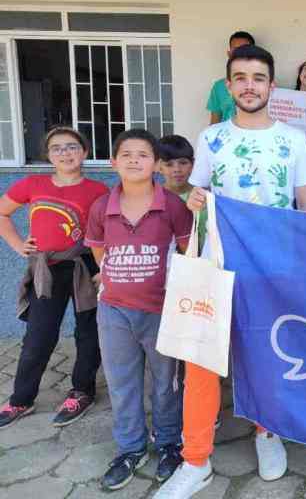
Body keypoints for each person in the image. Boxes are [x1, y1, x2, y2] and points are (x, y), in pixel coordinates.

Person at [155, 44, 306, 499]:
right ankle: (195, 460)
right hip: (215, 266)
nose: (250, 85)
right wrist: (193, 200)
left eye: (259, 77)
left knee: (265, 358)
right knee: (200, 363)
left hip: (273, 269)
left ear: (271, 85)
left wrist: (301, 269)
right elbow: (200, 196)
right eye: (241, 77)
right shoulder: (211, 139)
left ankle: (267, 433)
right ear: (229, 86)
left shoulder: (293, 140)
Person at [85, 129, 192, 491]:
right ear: (113, 162)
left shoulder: (173, 206)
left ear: (156, 164)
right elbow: (101, 254)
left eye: (143, 154)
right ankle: (131, 449)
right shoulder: (102, 207)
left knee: (165, 382)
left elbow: (187, 252)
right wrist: (119, 280)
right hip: (114, 311)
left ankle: (168, 443)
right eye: (126, 154)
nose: (134, 160)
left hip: (162, 310)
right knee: (122, 383)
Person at [0, 127, 107, 430]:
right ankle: (21, 398)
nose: (65, 152)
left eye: (72, 146)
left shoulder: (99, 190)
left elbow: (109, 230)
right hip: (46, 268)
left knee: (88, 333)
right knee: (39, 335)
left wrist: (105, 266)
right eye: (57, 148)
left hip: (86, 267)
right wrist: (18, 244)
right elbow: (2, 213)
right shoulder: (32, 183)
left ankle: (82, 391)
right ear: (48, 155)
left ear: (84, 152)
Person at [159, 135, 207, 251]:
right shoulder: (153, 198)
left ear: (193, 164)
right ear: (159, 167)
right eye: (169, 164)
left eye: (183, 163)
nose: (177, 169)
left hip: (205, 264)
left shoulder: (204, 197)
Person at [206, 31, 255, 125]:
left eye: (245, 49)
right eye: (235, 49)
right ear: (229, 54)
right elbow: (214, 124)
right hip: (226, 139)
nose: (240, 53)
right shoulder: (219, 86)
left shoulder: (262, 85)